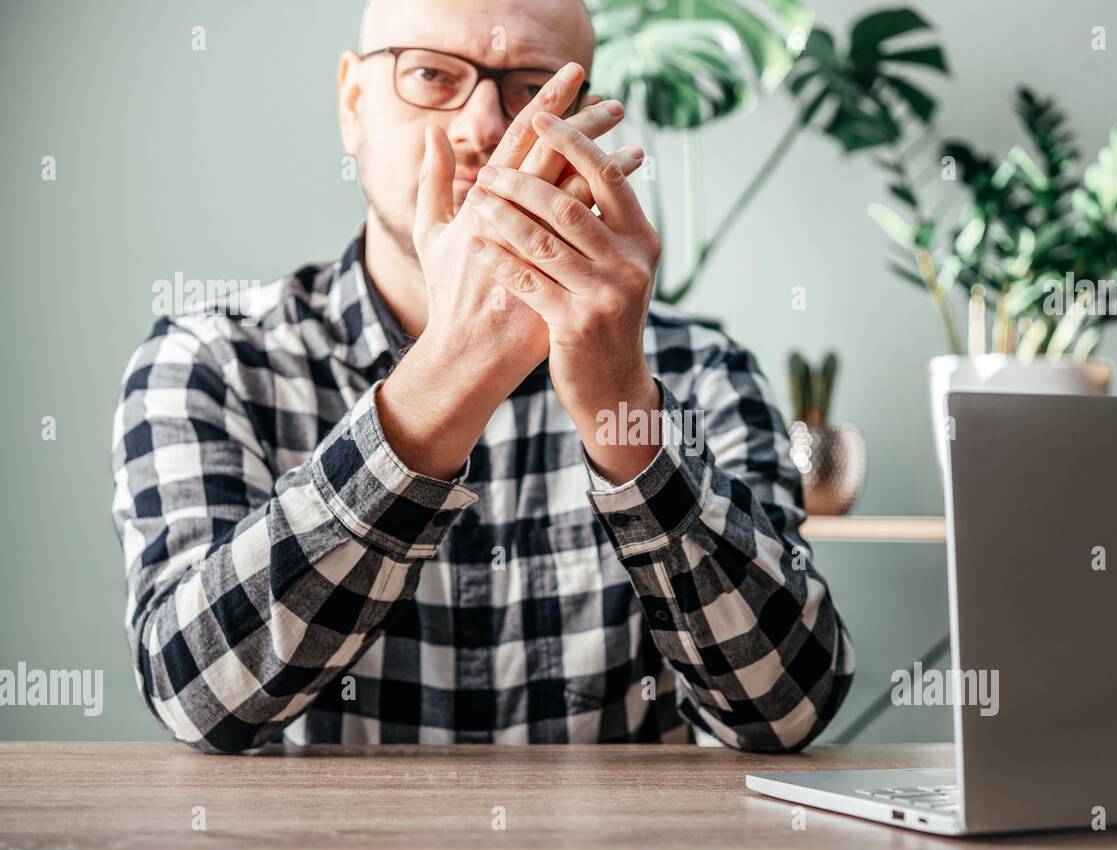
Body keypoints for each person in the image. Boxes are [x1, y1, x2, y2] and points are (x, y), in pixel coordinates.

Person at [110, 0, 854, 753]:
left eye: (535, 91)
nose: (483, 130)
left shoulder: (702, 374)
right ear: (354, 105)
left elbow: (787, 711)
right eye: (431, 74)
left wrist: (620, 409)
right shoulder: (212, 361)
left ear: (588, 126)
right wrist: (452, 369)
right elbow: (197, 696)